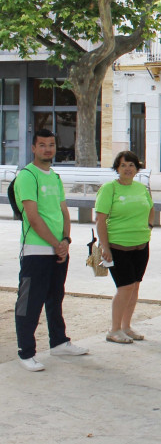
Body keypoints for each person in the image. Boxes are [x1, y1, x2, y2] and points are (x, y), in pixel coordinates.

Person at [14, 129, 89, 371]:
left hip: (58, 251)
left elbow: (64, 211)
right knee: (30, 303)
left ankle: (58, 342)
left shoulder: (55, 177)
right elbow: (33, 217)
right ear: (33, 148)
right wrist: (55, 244)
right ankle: (26, 352)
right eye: (42, 144)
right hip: (36, 251)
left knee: (55, 299)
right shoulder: (28, 176)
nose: (48, 149)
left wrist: (66, 239)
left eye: (52, 144)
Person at [96, 150, 155, 344]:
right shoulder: (109, 188)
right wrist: (104, 246)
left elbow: (151, 208)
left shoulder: (141, 188)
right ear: (117, 168)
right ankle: (113, 330)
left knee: (135, 287)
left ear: (137, 168)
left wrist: (149, 227)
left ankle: (126, 326)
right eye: (123, 165)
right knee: (125, 287)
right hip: (118, 247)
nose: (128, 169)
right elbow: (100, 220)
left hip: (141, 245)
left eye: (131, 165)